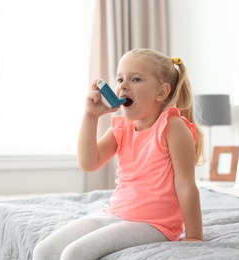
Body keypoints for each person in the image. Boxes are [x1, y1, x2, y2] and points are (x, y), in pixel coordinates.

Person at [33, 48, 204, 260]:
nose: (123, 85)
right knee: (43, 251)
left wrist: (195, 237)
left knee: (74, 254)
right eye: (120, 79)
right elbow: (89, 163)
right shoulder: (121, 127)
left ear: (161, 92)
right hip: (114, 213)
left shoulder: (173, 127)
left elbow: (186, 185)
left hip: (154, 224)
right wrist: (90, 116)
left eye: (135, 79)